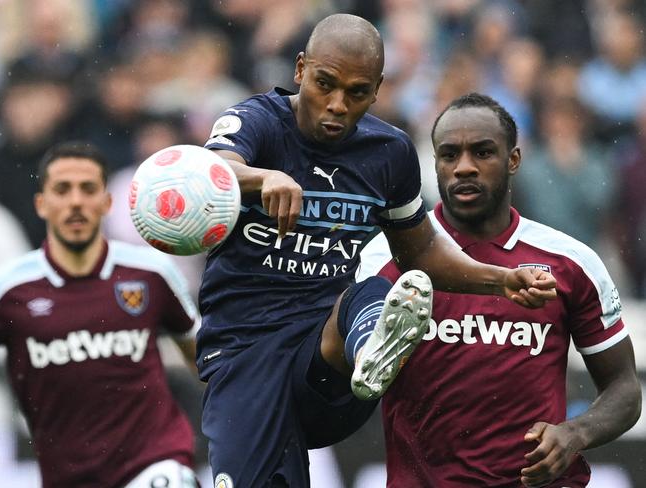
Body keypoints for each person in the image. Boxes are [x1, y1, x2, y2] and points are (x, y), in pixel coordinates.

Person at [198, 14, 557, 488]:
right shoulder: (256, 121)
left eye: (357, 92)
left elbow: (422, 251)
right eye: (325, 84)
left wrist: (499, 278)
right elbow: (209, 172)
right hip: (245, 351)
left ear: (377, 90)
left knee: (373, 289)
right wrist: (262, 177)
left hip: (328, 359)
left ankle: (375, 347)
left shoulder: (388, 152)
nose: (337, 105)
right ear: (300, 69)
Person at [357, 93, 642, 487]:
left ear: (514, 160)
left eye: (483, 152)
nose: (464, 168)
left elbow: (624, 388)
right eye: (449, 155)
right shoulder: (384, 259)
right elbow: (349, 371)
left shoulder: (570, 261)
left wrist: (575, 433)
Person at [0, 141, 201, 488]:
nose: (76, 201)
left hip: (155, 465)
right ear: (42, 204)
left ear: (106, 203)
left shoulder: (150, 272)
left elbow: (206, 359)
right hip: (66, 476)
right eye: (63, 189)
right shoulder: (10, 290)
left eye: (88, 189)